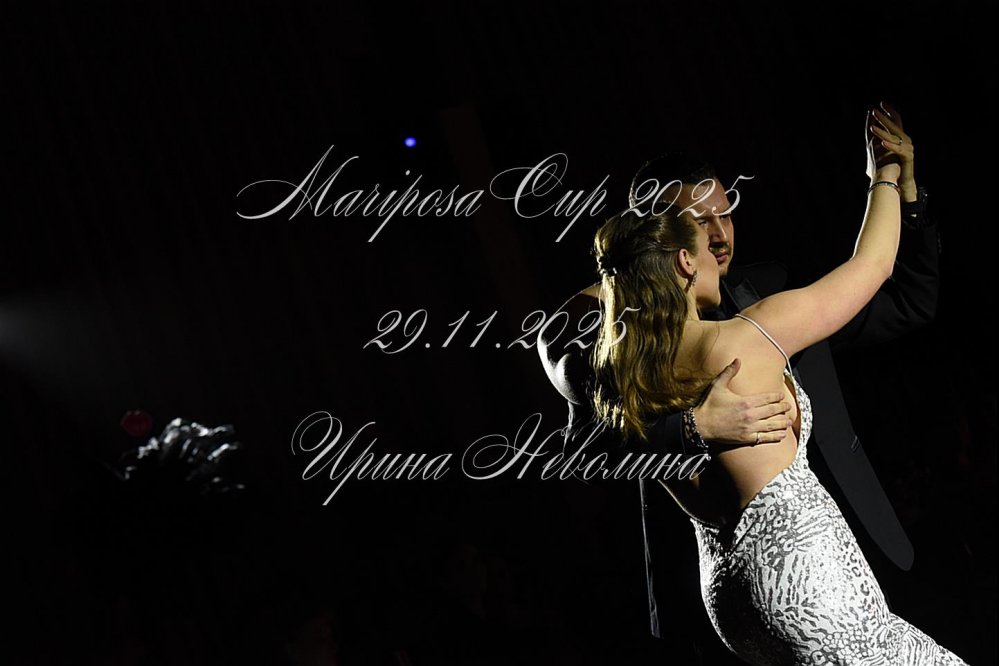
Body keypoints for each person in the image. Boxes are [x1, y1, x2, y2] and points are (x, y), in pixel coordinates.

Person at [538, 104, 939, 648]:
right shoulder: (748, 329)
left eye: (725, 215)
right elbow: (583, 446)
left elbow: (908, 301)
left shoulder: (755, 294)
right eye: (698, 223)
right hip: (784, 586)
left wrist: (910, 199)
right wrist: (692, 427)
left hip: (797, 575)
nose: (718, 236)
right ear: (669, 243)